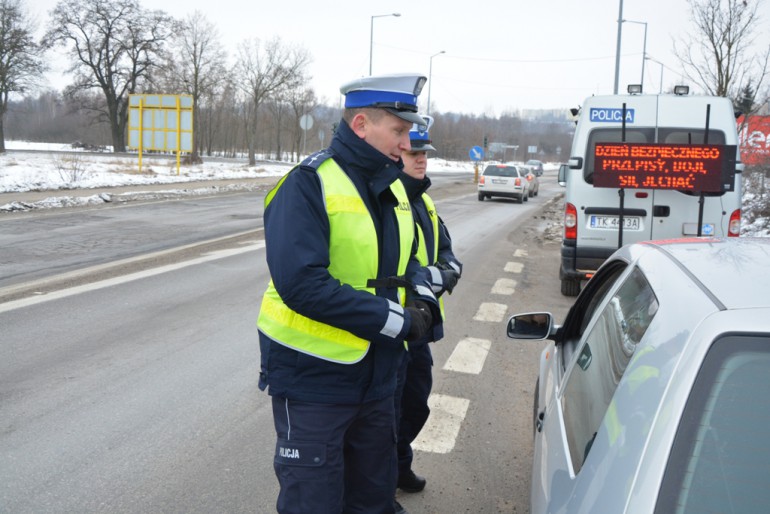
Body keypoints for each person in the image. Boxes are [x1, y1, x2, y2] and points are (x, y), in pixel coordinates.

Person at [256, 74, 457, 514]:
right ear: (362, 124)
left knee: (373, 499)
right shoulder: (308, 182)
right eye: (400, 132)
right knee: (315, 501)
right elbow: (302, 285)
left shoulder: (395, 191)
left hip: (380, 376)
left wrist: (422, 299)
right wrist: (398, 320)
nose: (407, 145)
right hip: (314, 378)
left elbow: (409, 268)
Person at [394, 116, 462, 498]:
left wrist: (434, 279)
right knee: (388, 413)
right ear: (396, 152)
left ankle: (400, 466)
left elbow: (449, 257)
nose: (421, 160)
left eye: (424, 154)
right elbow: (401, 267)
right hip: (393, 324)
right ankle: (381, 483)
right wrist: (431, 279)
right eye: (414, 152)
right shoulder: (389, 199)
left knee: (415, 405)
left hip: (420, 324)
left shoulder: (425, 200)